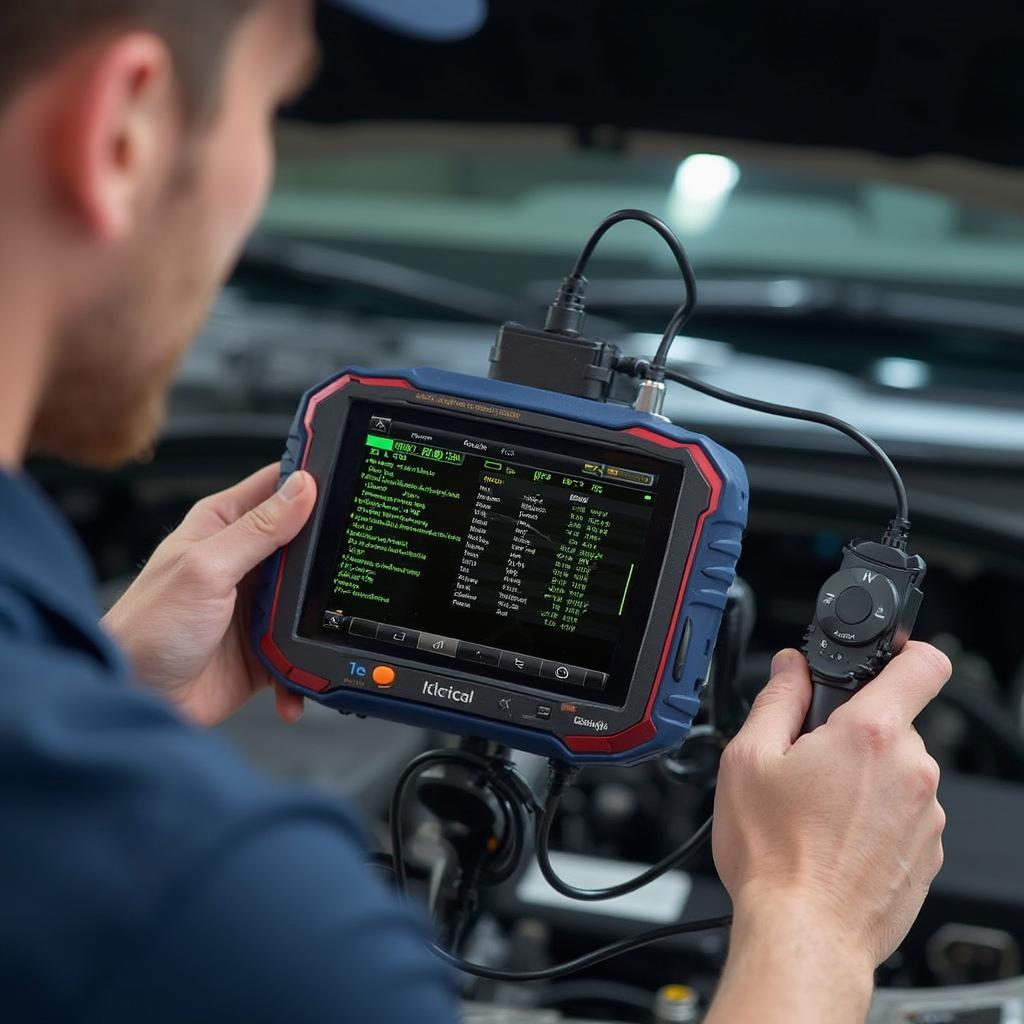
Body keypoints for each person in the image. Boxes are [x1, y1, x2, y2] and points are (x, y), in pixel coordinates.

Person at [0, 1, 951, 1021]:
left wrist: (108, 694)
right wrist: (814, 920)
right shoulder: (228, 924)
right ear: (122, 132)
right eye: (274, 110)